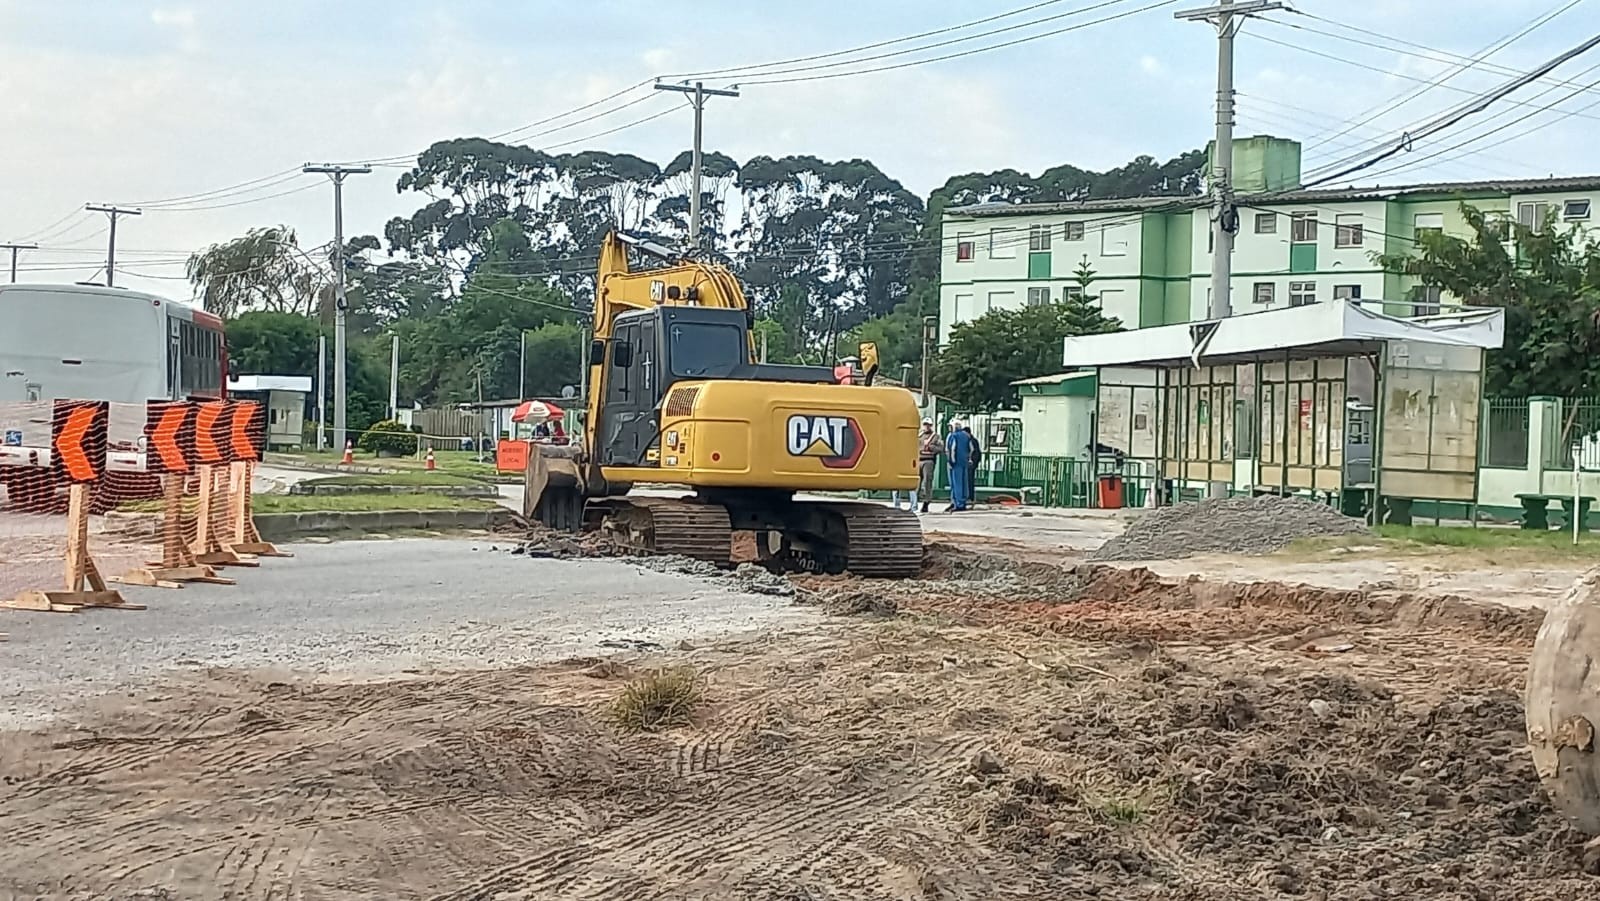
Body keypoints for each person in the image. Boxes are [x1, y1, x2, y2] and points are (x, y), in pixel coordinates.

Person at [946, 418, 973, 512]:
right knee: (964, 483)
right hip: (964, 462)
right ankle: (963, 502)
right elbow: (971, 449)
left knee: (956, 484)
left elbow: (952, 449)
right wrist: (968, 458)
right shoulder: (966, 436)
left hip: (956, 463)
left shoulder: (953, 436)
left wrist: (951, 461)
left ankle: (957, 503)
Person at [916, 418, 941, 513]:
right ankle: (914, 502)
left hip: (929, 460)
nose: (926, 426)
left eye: (928, 425)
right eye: (925, 424)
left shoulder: (935, 436)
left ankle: (926, 502)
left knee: (927, 482)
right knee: (917, 482)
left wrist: (930, 447)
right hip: (919, 460)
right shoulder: (919, 435)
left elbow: (940, 448)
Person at [962, 423, 983, 509]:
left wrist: (972, 462)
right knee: (969, 481)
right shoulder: (973, 440)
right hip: (972, 463)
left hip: (971, 463)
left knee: (969, 481)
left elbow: (974, 452)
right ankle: (969, 497)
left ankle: (970, 497)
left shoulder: (971, 441)